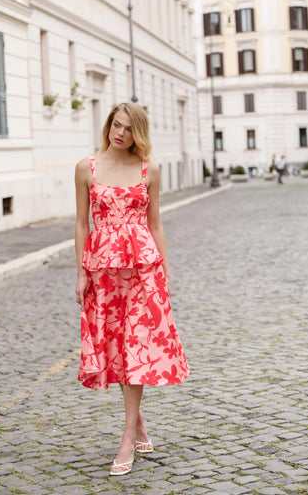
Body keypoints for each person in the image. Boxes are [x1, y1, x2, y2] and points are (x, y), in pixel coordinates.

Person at [75, 102, 190, 476]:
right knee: (114, 346)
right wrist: (81, 273)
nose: (119, 133)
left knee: (136, 346)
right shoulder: (86, 169)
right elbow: (81, 225)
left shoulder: (149, 170)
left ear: (137, 133)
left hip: (143, 269)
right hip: (103, 271)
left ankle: (127, 435)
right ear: (108, 125)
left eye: (127, 128)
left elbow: (156, 224)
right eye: (115, 125)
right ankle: (137, 420)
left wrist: (166, 272)